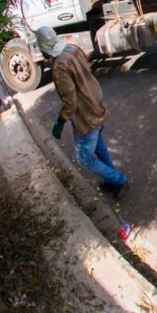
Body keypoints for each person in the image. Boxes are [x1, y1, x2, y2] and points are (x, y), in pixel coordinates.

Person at [35, 26, 129, 196]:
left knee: (84, 158)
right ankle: (113, 180)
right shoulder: (73, 49)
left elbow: (70, 102)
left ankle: (118, 179)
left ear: (43, 49)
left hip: (86, 115)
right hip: (96, 103)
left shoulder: (59, 67)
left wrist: (60, 122)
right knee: (99, 147)